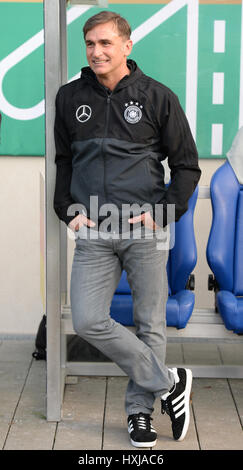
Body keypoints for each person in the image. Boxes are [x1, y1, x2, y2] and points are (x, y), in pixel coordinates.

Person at [54, 10, 201, 448]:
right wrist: (67, 210)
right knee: (88, 319)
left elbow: (187, 166)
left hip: (145, 229)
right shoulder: (69, 97)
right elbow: (64, 161)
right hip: (94, 230)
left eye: (105, 43)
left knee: (149, 323)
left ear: (127, 46)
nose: (96, 52)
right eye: (89, 44)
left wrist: (165, 212)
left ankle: (140, 414)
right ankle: (170, 382)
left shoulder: (158, 97)